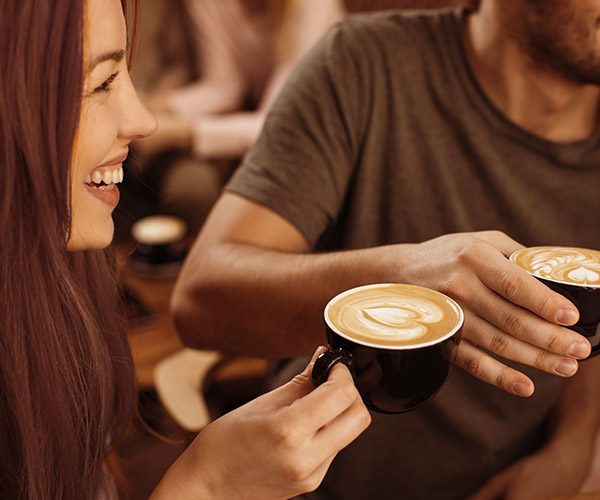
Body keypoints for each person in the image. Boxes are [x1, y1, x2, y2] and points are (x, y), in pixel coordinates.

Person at [170, 0, 600, 498]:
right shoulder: (362, 63)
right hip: (318, 481)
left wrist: (572, 444)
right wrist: (399, 276)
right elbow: (199, 302)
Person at [0, 0, 371, 498]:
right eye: (102, 82)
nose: (142, 120)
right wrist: (207, 483)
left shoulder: (61, 284)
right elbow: (222, 88)